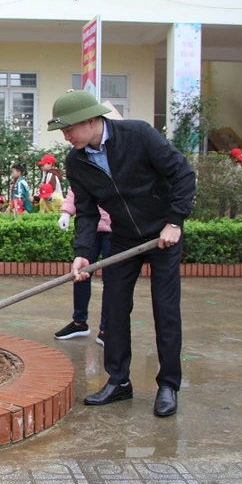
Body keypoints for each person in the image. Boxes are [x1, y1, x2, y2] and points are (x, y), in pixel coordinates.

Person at [48, 89, 196, 417]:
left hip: (163, 237)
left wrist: (174, 222)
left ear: (91, 120)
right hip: (123, 238)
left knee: (166, 310)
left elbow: (183, 174)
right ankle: (119, 381)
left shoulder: (138, 135)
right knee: (114, 309)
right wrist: (84, 252)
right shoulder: (77, 161)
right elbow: (86, 211)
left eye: (69, 128)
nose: (66, 136)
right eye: (62, 131)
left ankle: (168, 384)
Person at [54, 186, 111, 345]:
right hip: (89, 228)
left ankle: (107, 329)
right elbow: (76, 188)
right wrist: (66, 212)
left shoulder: (118, 162)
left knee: (112, 279)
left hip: (115, 228)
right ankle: (79, 322)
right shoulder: (85, 163)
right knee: (80, 274)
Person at [228, 148, 242, 218]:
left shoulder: (238, 166)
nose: (239, 161)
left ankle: (232, 219)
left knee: (234, 205)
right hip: (225, 187)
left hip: (233, 189)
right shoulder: (225, 164)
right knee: (223, 206)